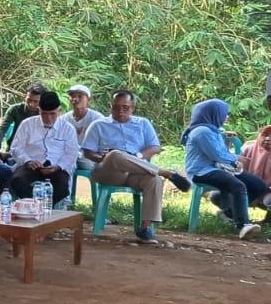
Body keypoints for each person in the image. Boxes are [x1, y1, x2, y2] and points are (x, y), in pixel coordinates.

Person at [81, 90, 191, 243]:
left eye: (125, 107)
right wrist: (101, 156)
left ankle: (146, 228)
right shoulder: (99, 125)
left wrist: (137, 157)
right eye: (116, 107)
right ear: (110, 107)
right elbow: (87, 152)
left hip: (134, 172)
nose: (120, 111)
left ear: (133, 108)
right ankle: (165, 172)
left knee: (154, 180)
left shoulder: (142, 123)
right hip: (108, 171)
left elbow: (154, 147)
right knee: (115, 154)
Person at [182, 99, 267, 239]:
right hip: (202, 171)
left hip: (218, 167)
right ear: (213, 113)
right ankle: (243, 225)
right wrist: (235, 160)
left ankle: (229, 212)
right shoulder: (202, 131)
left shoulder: (213, 129)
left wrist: (234, 160)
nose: (226, 116)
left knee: (259, 185)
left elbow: (222, 153)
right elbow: (217, 154)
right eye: (224, 113)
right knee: (238, 186)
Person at [4, 90, 78, 207]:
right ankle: (34, 207)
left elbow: (72, 154)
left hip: (56, 167)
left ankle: (45, 208)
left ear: (59, 111)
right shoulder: (27, 124)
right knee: (17, 181)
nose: (48, 118)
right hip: (31, 165)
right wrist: (28, 161)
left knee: (62, 187)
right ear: (39, 110)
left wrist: (58, 166)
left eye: (52, 114)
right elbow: (16, 148)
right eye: (44, 114)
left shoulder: (68, 129)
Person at [0, 84, 45, 152]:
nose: (31, 104)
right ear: (25, 97)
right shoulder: (15, 109)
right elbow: (2, 128)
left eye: (36, 101)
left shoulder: (46, 114)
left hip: (37, 152)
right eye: (29, 100)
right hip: (15, 150)